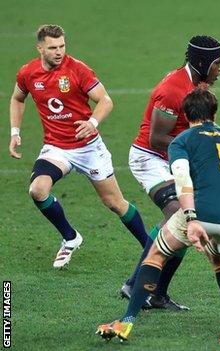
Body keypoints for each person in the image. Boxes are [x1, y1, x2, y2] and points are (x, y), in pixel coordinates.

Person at [97, 88, 220, 344]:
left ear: (186, 114)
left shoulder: (182, 140)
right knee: (218, 258)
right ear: (214, 113)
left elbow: (182, 181)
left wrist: (192, 220)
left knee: (157, 255)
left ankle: (125, 322)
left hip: (202, 215)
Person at [8, 24, 149, 269]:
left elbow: (105, 100)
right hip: (56, 148)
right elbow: (18, 98)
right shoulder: (28, 73)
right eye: (53, 47)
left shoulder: (78, 69)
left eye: (62, 45)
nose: (59, 51)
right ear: (40, 48)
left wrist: (93, 122)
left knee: (114, 203)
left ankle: (150, 247)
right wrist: (15, 132)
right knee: (37, 190)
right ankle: (70, 237)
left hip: (88, 148)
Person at [120, 35, 220, 310]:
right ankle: (135, 285)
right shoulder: (172, 89)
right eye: (217, 63)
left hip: (176, 157)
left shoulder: (199, 85)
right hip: (150, 158)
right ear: (203, 63)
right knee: (179, 215)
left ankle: (156, 293)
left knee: (188, 219)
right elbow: (156, 138)